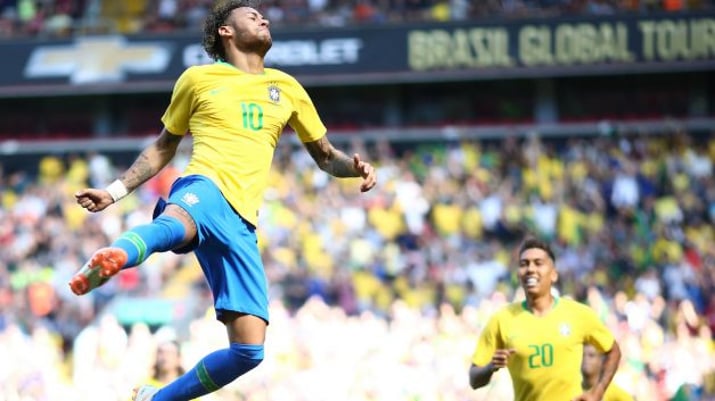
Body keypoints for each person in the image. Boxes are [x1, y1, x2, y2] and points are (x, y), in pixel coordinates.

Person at [68, 1, 377, 400]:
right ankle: (117, 256)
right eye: (252, 16)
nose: (263, 19)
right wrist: (113, 192)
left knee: (249, 351)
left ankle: (154, 398)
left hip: (243, 222)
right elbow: (163, 148)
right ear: (225, 33)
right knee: (175, 226)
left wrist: (354, 169)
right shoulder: (198, 79)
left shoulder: (287, 88)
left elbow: (325, 156)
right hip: (206, 186)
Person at [468, 237, 621, 401]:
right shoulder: (502, 320)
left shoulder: (578, 313)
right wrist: (491, 367)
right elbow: (474, 379)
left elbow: (613, 351)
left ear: (554, 275)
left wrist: (597, 392)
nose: (530, 269)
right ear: (518, 274)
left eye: (538, 263)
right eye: (524, 264)